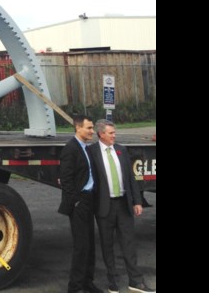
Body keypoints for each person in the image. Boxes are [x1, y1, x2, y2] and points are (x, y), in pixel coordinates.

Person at [88, 119, 156, 293]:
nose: (114, 135)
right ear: (101, 134)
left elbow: (130, 178)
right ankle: (113, 282)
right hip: (104, 207)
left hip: (123, 204)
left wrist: (137, 201)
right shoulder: (92, 152)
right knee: (107, 245)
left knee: (129, 244)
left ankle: (136, 281)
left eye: (114, 132)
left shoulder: (121, 150)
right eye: (111, 133)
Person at [58, 115, 104, 293]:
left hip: (90, 200)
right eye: (89, 128)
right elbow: (66, 178)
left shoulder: (87, 148)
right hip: (79, 202)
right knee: (81, 246)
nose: (92, 131)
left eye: (92, 128)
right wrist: (75, 201)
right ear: (78, 128)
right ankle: (75, 287)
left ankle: (87, 282)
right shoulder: (70, 148)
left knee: (91, 244)